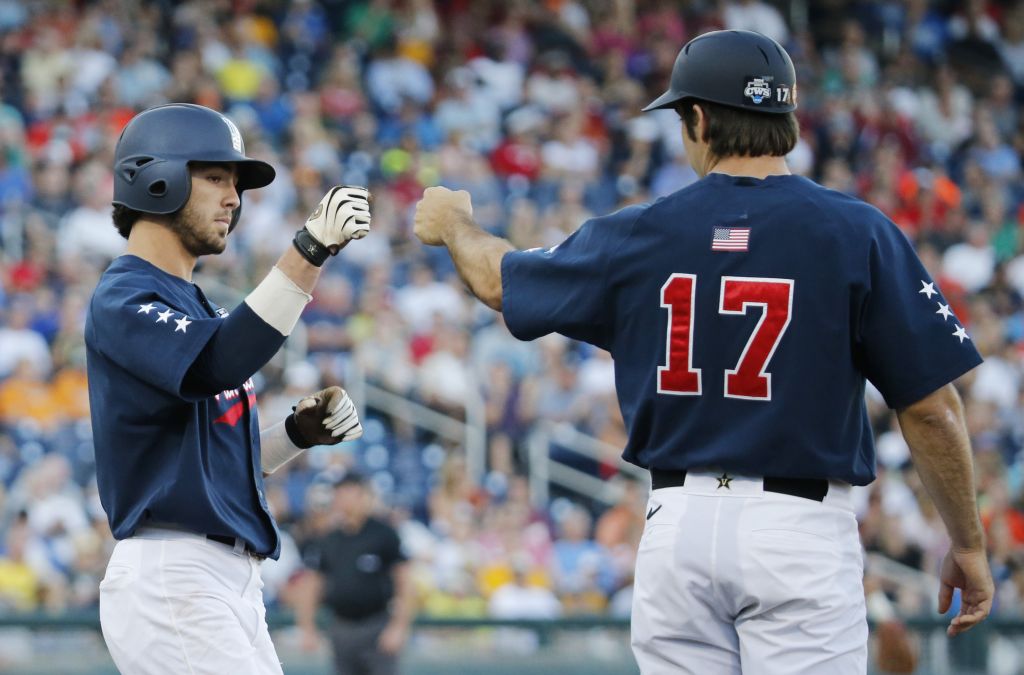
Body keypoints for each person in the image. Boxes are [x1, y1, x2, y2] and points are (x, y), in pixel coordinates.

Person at [413, 30, 994, 674]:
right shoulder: (857, 232)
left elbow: (499, 279)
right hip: (797, 529)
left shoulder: (641, 232)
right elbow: (932, 408)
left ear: (699, 119)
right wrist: (967, 541)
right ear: (787, 119)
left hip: (677, 526)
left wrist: (452, 223)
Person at [86, 103, 370, 674]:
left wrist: (294, 434)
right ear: (155, 177)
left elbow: (218, 463)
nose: (234, 197)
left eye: (234, 183)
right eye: (215, 177)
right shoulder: (125, 295)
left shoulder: (193, 304)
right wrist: (309, 249)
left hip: (222, 581)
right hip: (175, 573)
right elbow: (219, 361)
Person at [294, 471, 414, 675]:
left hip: (376, 625)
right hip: (341, 628)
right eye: (340, 494)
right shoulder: (329, 539)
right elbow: (313, 583)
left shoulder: (384, 534)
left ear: (364, 496)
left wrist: (398, 627)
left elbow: (405, 582)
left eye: (350, 493)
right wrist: (307, 628)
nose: (344, 500)